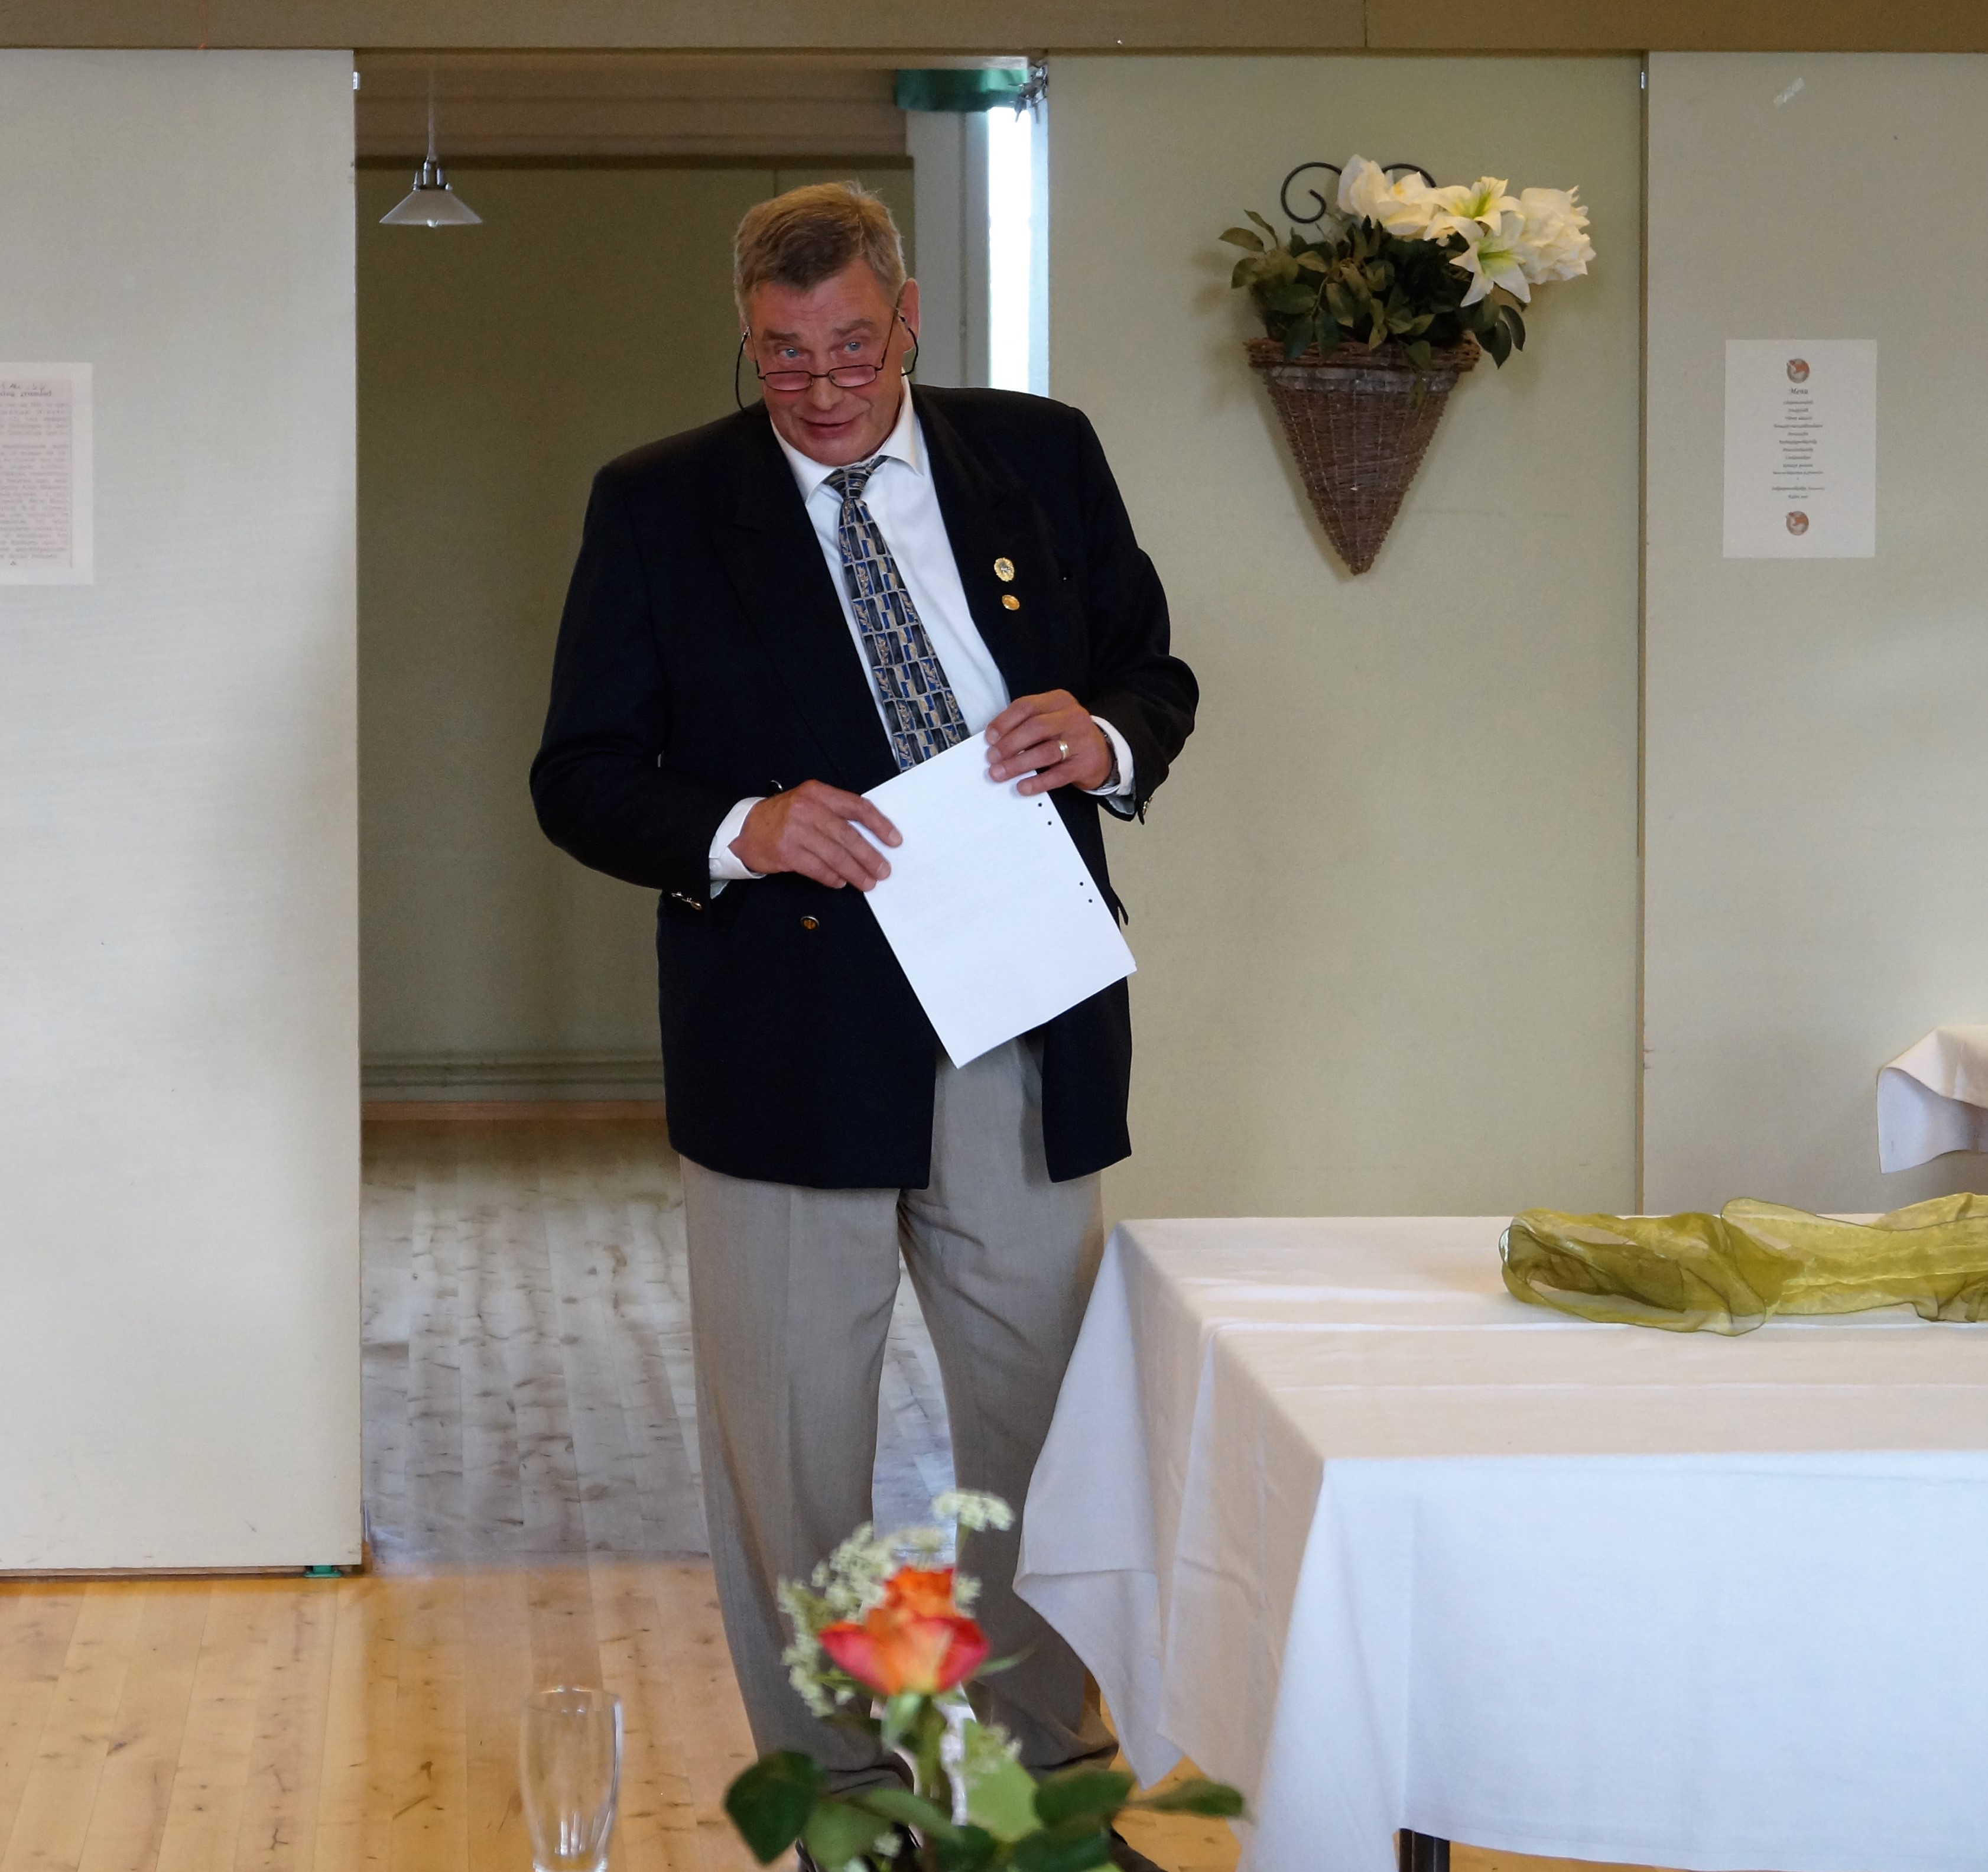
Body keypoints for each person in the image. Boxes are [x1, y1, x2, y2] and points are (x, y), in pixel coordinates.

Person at [531, 183, 1197, 1825]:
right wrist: (741, 827)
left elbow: (1151, 673)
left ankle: (1046, 1774)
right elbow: (581, 774)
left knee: (1043, 1427)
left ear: (905, 319)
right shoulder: (658, 502)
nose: (819, 388)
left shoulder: (1040, 453)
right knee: (795, 1458)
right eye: (782, 357)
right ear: (743, 339)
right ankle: (839, 1796)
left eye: (849, 349)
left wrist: (1102, 737)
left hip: (1019, 1015)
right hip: (787, 1037)